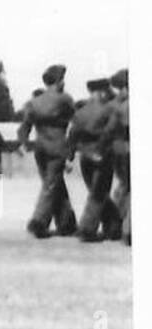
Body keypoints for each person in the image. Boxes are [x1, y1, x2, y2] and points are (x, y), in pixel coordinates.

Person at [19, 64, 77, 238]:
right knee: (51, 185)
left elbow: (24, 127)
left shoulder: (33, 102)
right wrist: (71, 150)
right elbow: (76, 122)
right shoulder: (64, 99)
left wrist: (24, 143)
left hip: (40, 148)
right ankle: (38, 222)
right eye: (62, 79)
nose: (64, 83)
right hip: (57, 148)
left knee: (54, 183)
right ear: (58, 81)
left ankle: (67, 222)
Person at [69, 78, 121, 242]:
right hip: (102, 154)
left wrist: (70, 158)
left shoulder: (80, 112)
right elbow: (110, 132)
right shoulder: (108, 110)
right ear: (102, 92)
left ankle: (114, 225)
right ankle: (87, 228)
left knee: (97, 192)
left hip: (85, 157)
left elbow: (72, 136)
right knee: (98, 194)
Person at [104, 69, 130, 245]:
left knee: (123, 186)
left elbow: (108, 131)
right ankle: (127, 229)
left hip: (116, 149)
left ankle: (114, 224)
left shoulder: (113, 105)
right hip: (128, 149)